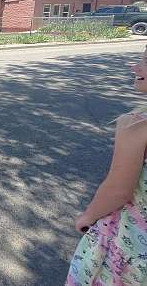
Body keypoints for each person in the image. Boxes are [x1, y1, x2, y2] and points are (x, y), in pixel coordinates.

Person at [66, 47, 147, 285]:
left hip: (132, 241)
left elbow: (117, 190)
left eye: (145, 60)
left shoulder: (135, 126)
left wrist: (88, 215)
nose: (135, 67)